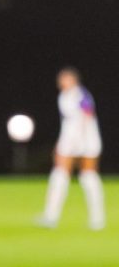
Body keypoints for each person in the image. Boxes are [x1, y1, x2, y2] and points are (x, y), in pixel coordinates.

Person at [38, 67, 105, 230]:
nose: (61, 82)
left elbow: (87, 115)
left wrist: (78, 140)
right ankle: (50, 216)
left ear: (74, 80)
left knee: (88, 176)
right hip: (70, 140)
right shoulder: (63, 96)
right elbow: (67, 122)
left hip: (86, 141)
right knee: (59, 175)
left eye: (65, 78)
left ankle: (97, 219)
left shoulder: (80, 94)